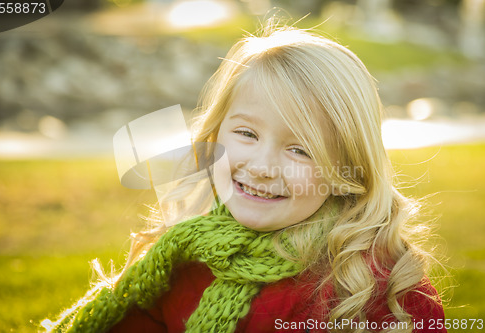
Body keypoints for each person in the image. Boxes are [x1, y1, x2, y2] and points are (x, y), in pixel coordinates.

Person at [43, 24, 446, 333]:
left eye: (300, 149)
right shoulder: (186, 253)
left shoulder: (374, 286)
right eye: (247, 134)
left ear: (345, 171)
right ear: (215, 136)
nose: (262, 166)